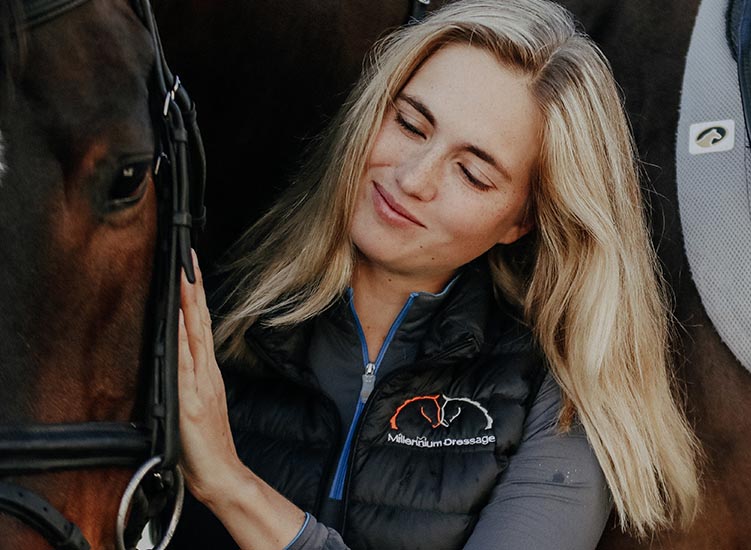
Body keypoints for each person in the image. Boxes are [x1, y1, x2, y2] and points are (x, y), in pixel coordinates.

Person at [171, 0, 700, 548]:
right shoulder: (210, 307)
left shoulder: (561, 396)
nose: (413, 177)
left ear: (522, 220)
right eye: (409, 123)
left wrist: (232, 485)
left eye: (472, 173)